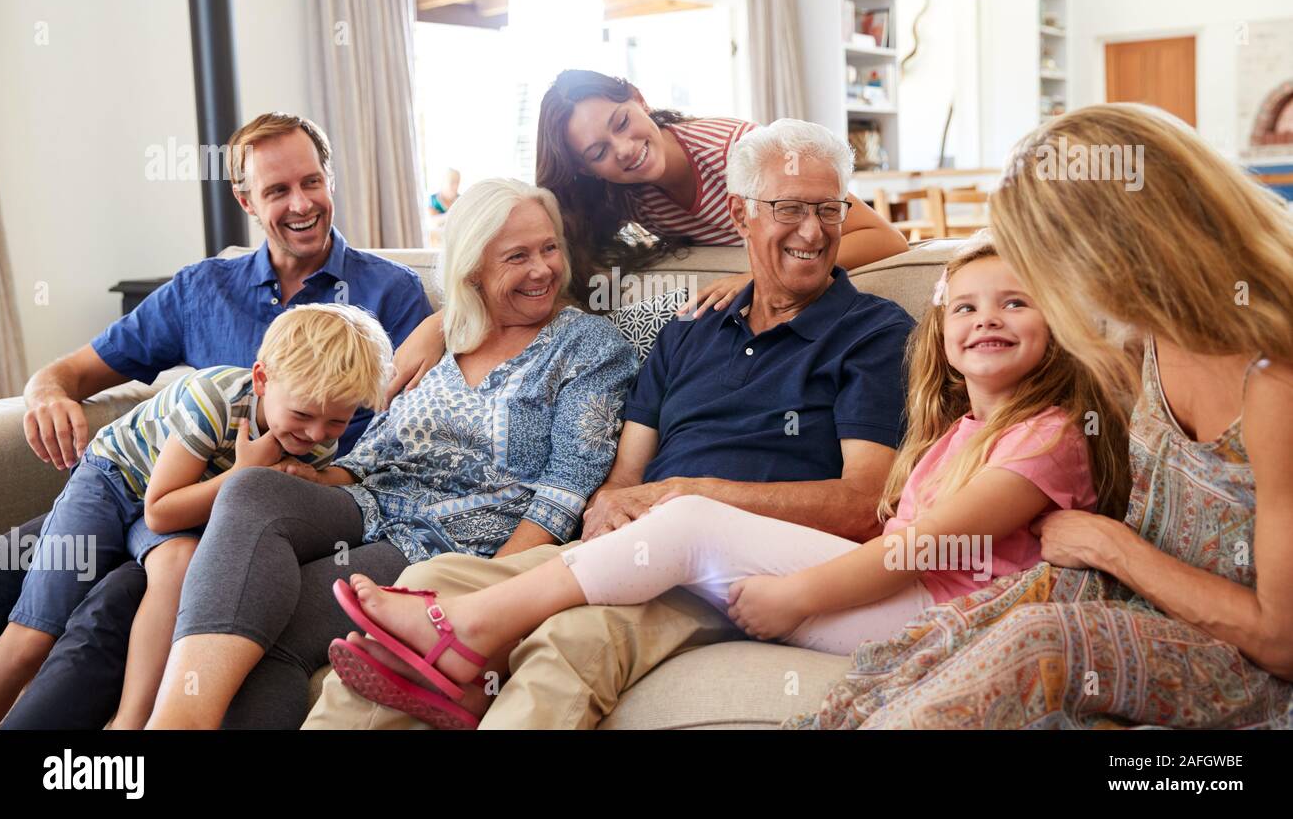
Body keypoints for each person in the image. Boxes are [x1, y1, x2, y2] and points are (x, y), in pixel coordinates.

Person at [326, 237, 1129, 727]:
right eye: (966, 309)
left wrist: (798, 594)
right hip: (697, 551)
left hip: (935, 614)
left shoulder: (1046, 433)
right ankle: (456, 628)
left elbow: (908, 546)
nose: (986, 319)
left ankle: (465, 633)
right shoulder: (954, 428)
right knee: (434, 575)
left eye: (1015, 303)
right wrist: (446, 318)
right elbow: (615, 409)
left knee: (687, 527)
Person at [303, 118, 914, 730]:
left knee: (572, 636)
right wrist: (608, 513)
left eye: (828, 209)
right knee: (428, 584)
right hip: (640, 548)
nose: (813, 230)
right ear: (740, 213)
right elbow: (624, 474)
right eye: (789, 208)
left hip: (738, 569)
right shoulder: (692, 328)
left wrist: (688, 496)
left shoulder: (872, 332)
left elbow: (863, 503)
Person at [793, 103, 1293, 730]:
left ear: (1123, 246)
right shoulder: (1148, 340)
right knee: (944, 639)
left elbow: (1283, 641)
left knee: (1035, 641)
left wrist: (1115, 548)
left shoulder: (1274, 382)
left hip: (1251, 664)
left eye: (1048, 267)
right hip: (1134, 603)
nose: (1055, 294)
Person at [143, 179, 637, 729]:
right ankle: (176, 720)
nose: (542, 269)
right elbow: (377, 445)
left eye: (549, 248)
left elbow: (566, 488)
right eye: (517, 256)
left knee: (277, 631)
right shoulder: (450, 334)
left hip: (450, 539)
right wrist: (313, 479)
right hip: (370, 501)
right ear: (472, 268)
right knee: (250, 487)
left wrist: (492, 590)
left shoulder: (590, 347)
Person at [0, 111, 430, 730]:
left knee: (118, 595)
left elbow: (410, 439)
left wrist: (448, 322)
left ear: (331, 179)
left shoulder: (391, 295)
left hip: (225, 523)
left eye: (312, 182)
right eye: (277, 190)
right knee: (12, 564)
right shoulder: (204, 289)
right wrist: (46, 392)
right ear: (246, 198)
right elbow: (73, 374)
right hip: (140, 481)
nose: (301, 203)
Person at [388, 71, 910, 396]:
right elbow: (537, 265)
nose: (623, 149)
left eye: (621, 121)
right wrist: (444, 323)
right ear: (589, 171)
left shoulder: (733, 150)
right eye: (598, 153)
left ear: (638, 98)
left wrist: (752, 276)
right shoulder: (625, 191)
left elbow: (884, 238)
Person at [0, 304, 390, 729]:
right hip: (116, 481)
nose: (315, 434)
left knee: (179, 564)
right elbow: (160, 510)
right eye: (302, 415)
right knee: (34, 635)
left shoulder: (313, 440)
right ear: (261, 379)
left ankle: (132, 721)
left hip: (185, 504)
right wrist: (245, 474)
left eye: (337, 422)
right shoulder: (214, 398)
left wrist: (313, 477)